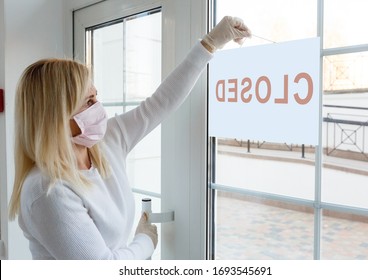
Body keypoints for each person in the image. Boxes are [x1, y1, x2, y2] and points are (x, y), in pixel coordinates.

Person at [8, 16, 251, 260]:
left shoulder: (105, 143)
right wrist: (145, 240)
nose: (99, 108)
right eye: (88, 102)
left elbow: (159, 104)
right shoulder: (47, 191)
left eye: (97, 96)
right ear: (55, 117)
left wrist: (209, 44)